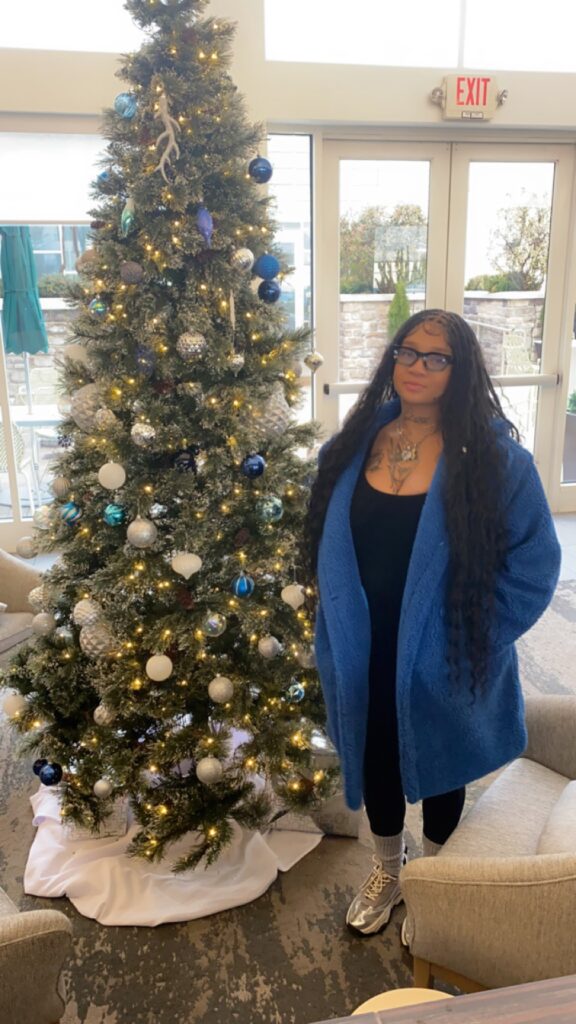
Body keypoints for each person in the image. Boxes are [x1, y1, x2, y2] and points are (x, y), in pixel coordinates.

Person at [303, 309, 561, 937]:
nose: (417, 366)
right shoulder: (351, 448)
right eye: (408, 352)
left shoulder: (496, 462)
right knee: (376, 755)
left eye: (436, 357)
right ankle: (389, 868)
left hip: (446, 650)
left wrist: (475, 636)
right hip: (364, 643)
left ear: (460, 369)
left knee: (444, 760)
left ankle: (439, 880)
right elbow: (326, 547)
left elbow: (535, 563)